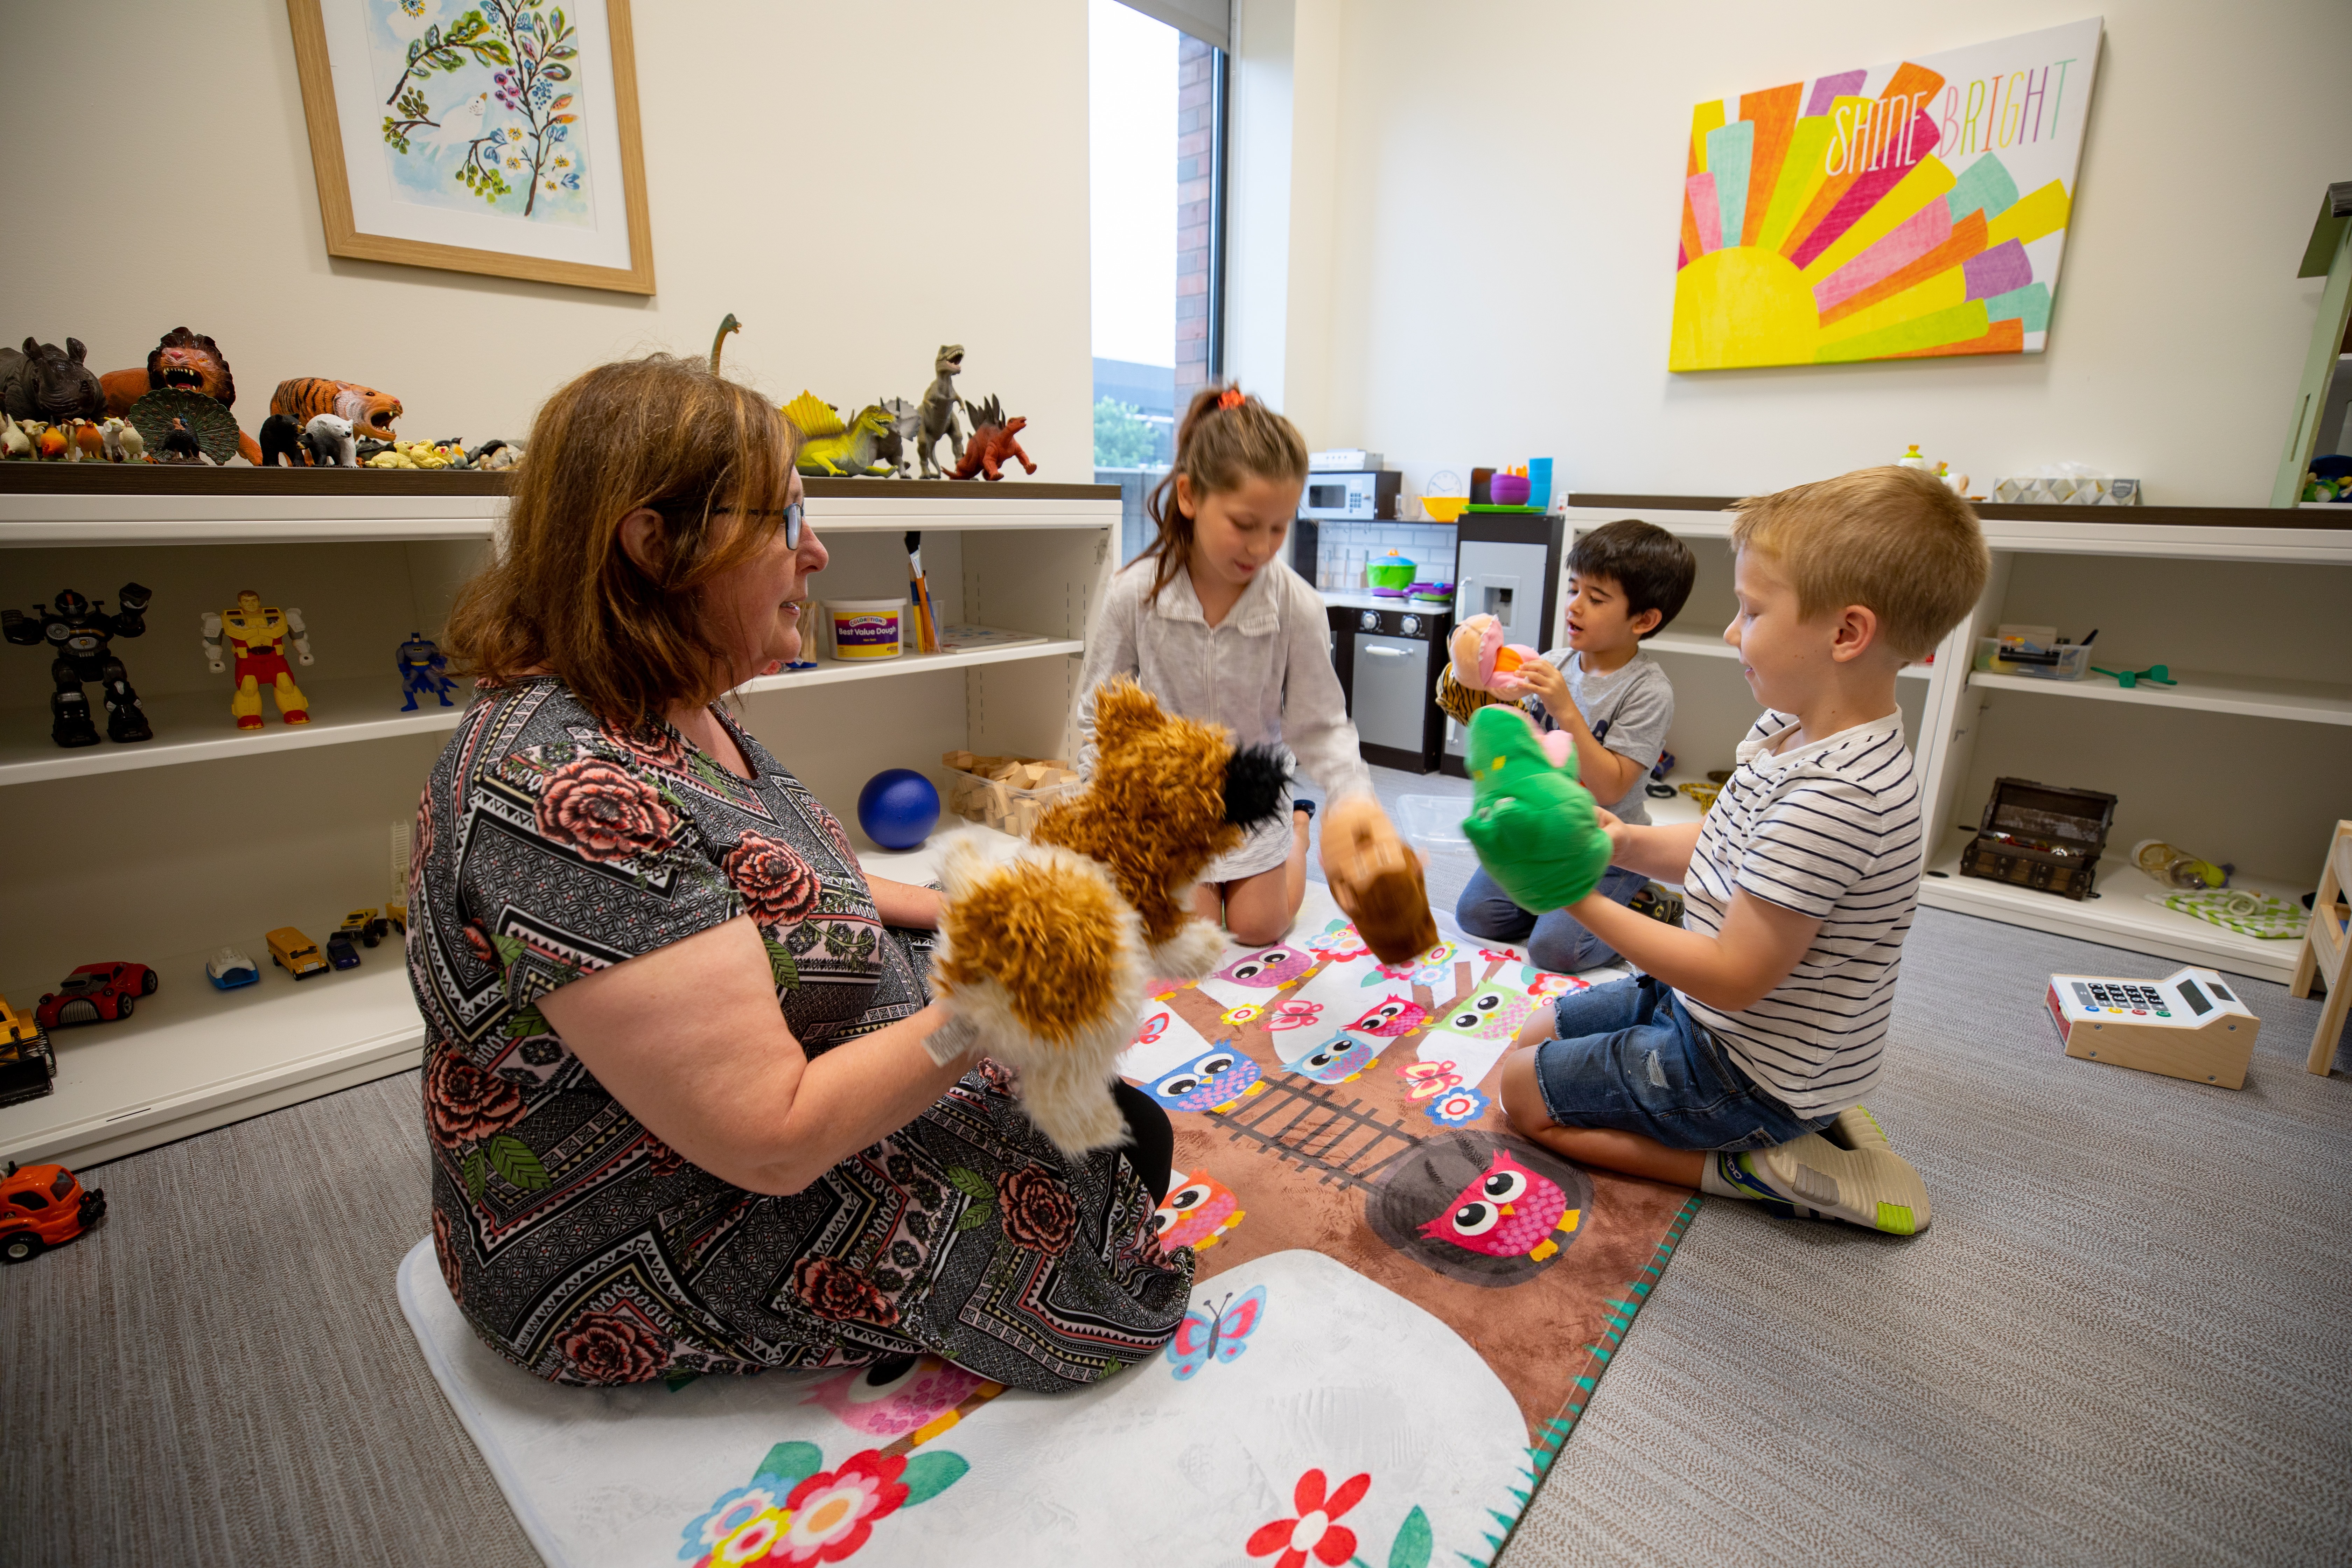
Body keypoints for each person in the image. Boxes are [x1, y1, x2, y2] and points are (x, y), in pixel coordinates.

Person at [412, 355, 1190, 1390]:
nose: (815, 551)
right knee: (1100, 1203)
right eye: (782, 522)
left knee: (1122, 1131)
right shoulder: (563, 794)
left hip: (741, 1116)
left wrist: (973, 905)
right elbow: (770, 1141)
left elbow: (777, 871)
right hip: (645, 1222)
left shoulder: (668, 699)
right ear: (653, 546)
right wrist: (1002, 997)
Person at [1496, 467, 1989, 1234]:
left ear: (1847, 633)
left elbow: (1734, 975)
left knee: (1521, 1093)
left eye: (1752, 610)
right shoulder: (1790, 730)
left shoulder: (1839, 796)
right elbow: (1727, 843)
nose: (1733, 631)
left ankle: (1747, 1164)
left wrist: (1576, 891)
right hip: (1716, 1020)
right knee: (1531, 1032)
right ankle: (1777, 1125)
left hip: (1748, 1069)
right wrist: (1621, 841)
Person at [1070, 384, 1402, 945]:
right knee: (1186, 935)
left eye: (1279, 528)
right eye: (1245, 524)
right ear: (1190, 496)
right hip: (1172, 803)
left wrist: (1355, 797)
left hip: (1256, 793)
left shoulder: (1296, 605)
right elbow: (1096, 714)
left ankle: (1298, 827)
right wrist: (1103, 804)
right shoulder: (1135, 594)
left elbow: (1321, 724)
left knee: (1259, 929)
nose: (1262, 546)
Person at [1437, 519, 1696, 971]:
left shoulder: (1648, 691)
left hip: (1604, 845)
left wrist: (1566, 709)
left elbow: (1611, 789)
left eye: (1596, 599)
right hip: (1539, 832)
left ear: (1645, 620)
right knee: (1477, 917)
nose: (1575, 607)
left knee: (1555, 951)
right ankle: (1554, 904)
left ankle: (1644, 900)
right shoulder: (1555, 662)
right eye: (1574, 590)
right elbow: (1523, 744)